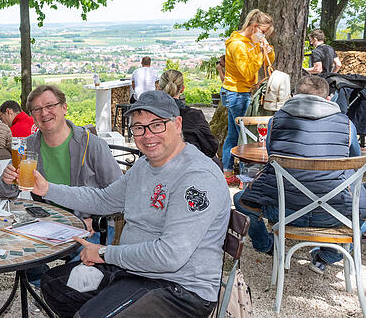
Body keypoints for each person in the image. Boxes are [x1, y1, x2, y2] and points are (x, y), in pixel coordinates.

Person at [37, 90, 230, 317]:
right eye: (139, 127)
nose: (147, 135)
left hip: (178, 289)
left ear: (177, 124)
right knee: (54, 284)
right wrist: (47, 189)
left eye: (157, 125)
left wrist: (105, 253)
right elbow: (103, 200)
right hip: (134, 271)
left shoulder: (196, 177)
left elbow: (169, 256)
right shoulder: (144, 165)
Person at [234, 76, 363, 274]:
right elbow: (353, 161)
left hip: (284, 213)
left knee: (241, 200)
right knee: (360, 206)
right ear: (328, 98)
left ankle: (265, 245)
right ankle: (328, 255)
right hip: (333, 215)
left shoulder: (276, 121)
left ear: (293, 96)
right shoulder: (346, 124)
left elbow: (272, 156)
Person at [0, 85, 122, 226]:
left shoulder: (93, 145)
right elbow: (5, 193)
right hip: (47, 225)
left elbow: (120, 196)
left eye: (50, 105)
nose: (44, 113)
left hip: (89, 229)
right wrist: (6, 181)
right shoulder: (27, 146)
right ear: (32, 116)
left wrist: (94, 222)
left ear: (64, 108)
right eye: (37, 109)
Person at [220, 9, 275, 187]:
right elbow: (247, 72)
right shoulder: (238, 45)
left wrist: (266, 49)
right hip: (237, 93)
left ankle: (228, 171)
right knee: (245, 134)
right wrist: (259, 53)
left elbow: (269, 61)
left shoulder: (248, 43)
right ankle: (244, 175)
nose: (264, 36)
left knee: (234, 134)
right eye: (264, 32)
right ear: (255, 27)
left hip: (238, 92)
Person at [158, 70, 219, 160]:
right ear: (182, 89)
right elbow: (211, 148)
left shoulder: (149, 115)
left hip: (156, 169)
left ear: (159, 88)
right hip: (190, 168)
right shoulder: (194, 116)